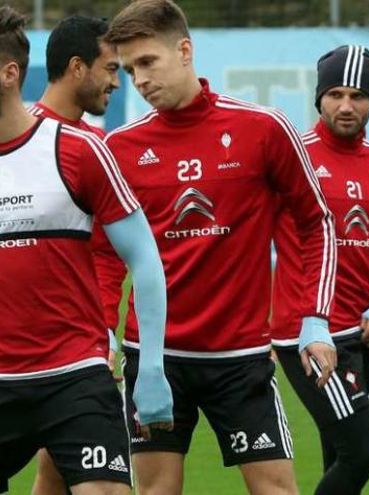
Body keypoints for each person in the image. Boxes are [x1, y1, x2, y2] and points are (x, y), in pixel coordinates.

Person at [97, 1, 338, 493]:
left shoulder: (263, 129)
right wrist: (103, 330)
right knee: (157, 490)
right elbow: (103, 254)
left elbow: (317, 223)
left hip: (241, 357)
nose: (138, 80)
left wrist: (315, 318)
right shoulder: (118, 148)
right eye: (128, 70)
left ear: (184, 50)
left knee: (276, 489)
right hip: (155, 361)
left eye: (148, 62)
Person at [0, 5, 173, 495]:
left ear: (10, 73)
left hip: (75, 377)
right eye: (114, 68)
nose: (119, 80)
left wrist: (153, 371)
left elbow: (144, 258)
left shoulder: (79, 150)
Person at [271, 45, 369, 495]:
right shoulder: (292, 157)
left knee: (340, 455)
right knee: (363, 450)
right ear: (319, 99)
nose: (346, 106)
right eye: (335, 94)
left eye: (358, 96)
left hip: (362, 334)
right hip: (306, 336)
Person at [27, 16, 124, 494]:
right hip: (34, 359)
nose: (117, 80)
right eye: (110, 67)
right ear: (77, 67)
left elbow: (112, 255)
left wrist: (105, 329)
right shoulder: (23, 144)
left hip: (81, 351)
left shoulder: (95, 148)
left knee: (57, 469)